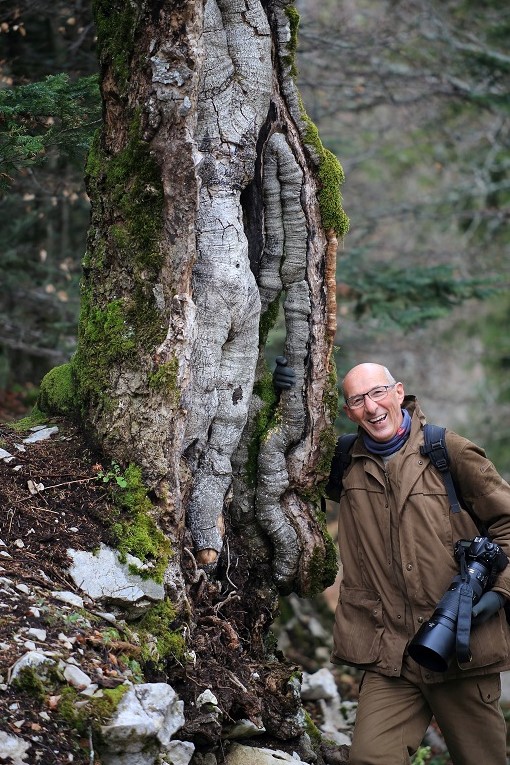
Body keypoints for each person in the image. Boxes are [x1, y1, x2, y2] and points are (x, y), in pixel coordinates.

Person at [328, 362, 510, 765]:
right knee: (369, 759)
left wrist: (499, 593)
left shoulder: (449, 451)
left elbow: (508, 523)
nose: (371, 407)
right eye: (357, 400)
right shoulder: (343, 460)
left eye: (378, 393)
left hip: (461, 648)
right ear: (348, 411)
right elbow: (286, 467)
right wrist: (289, 397)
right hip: (391, 652)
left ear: (398, 393)